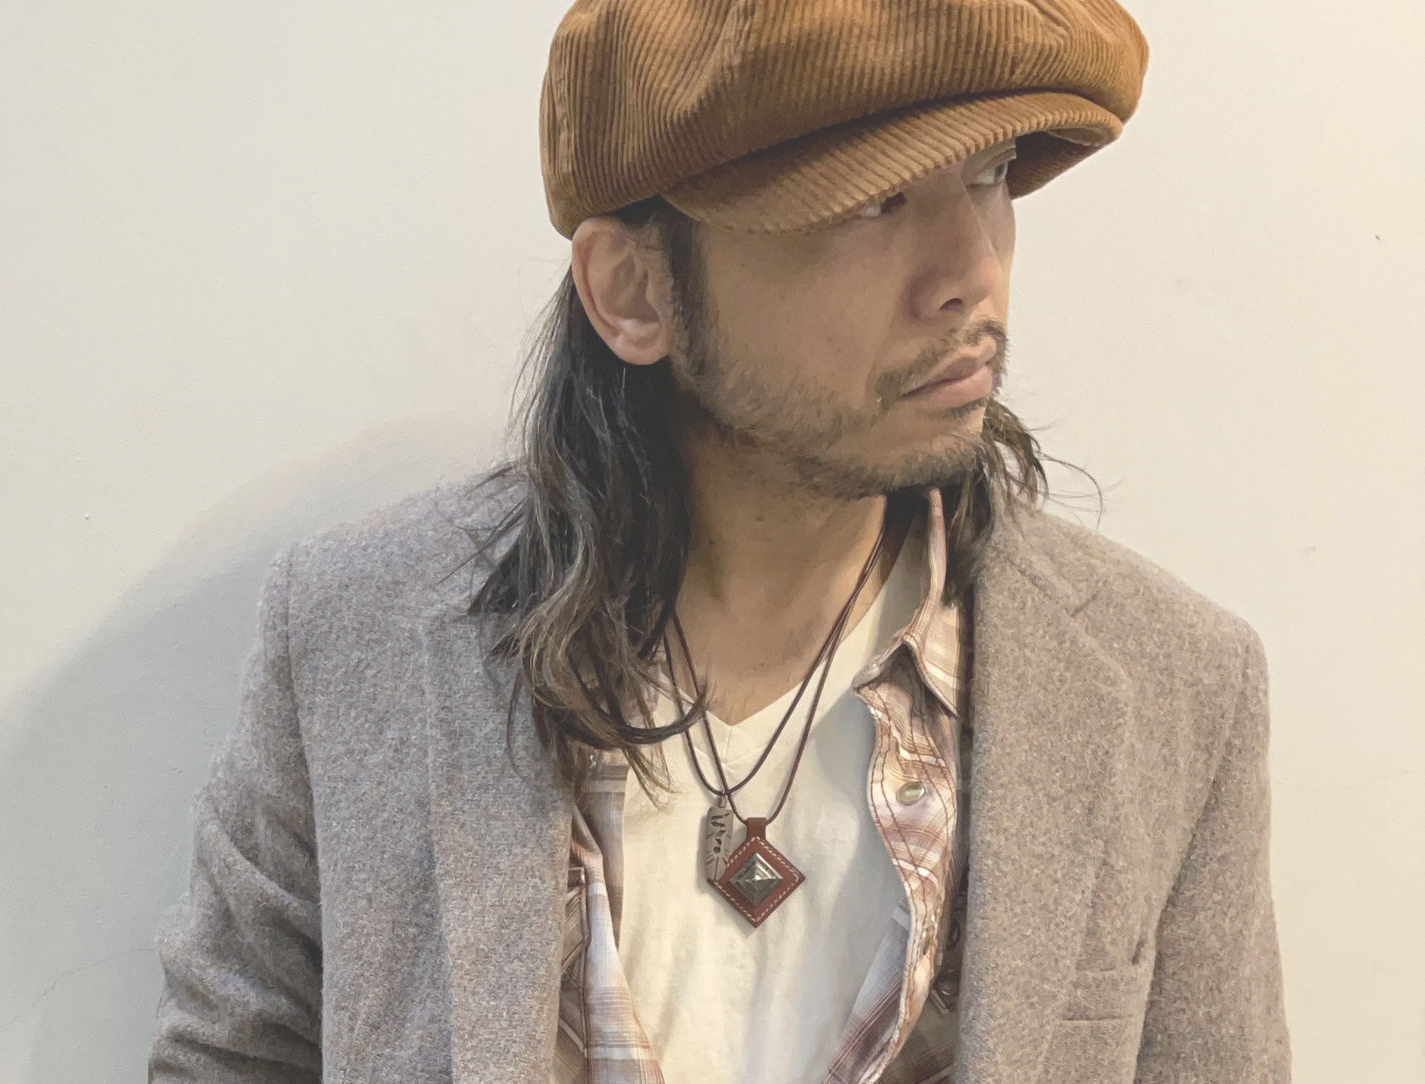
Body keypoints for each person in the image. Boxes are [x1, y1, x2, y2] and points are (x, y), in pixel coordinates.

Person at [147, 1, 1291, 1081]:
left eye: (990, 176)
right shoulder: (356, 638)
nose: (971, 272)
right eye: (875, 201)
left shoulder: (1175, 687)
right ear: (634, 292)